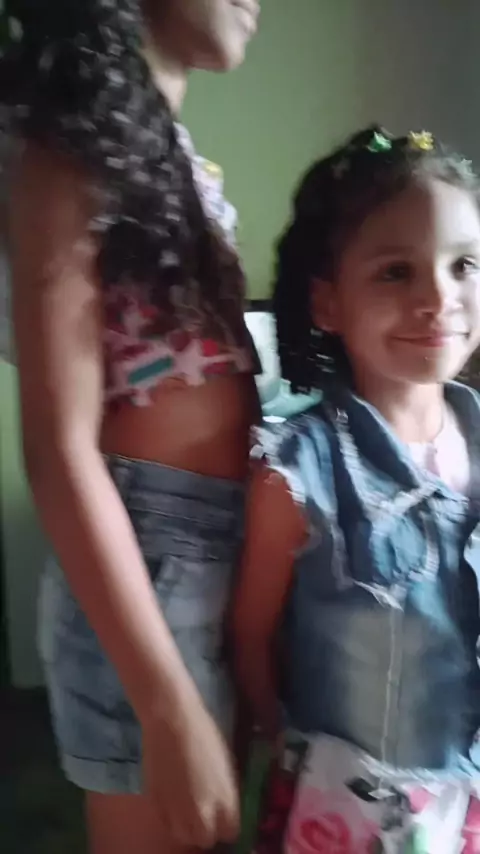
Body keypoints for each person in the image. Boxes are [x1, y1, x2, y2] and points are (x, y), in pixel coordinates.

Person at [2, 1, 261, 852]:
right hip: (146, 559)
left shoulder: (164, 153)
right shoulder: (64, 151)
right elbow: (58, 450)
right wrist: (165, 705)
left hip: (213, 545)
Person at [233, 126, 480, 852]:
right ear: (329, 303)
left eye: (464, 265)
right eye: (396, 272)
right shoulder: (298, 472)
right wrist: (285, 749)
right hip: (350, 808)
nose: (439, 297)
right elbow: (250, 636)